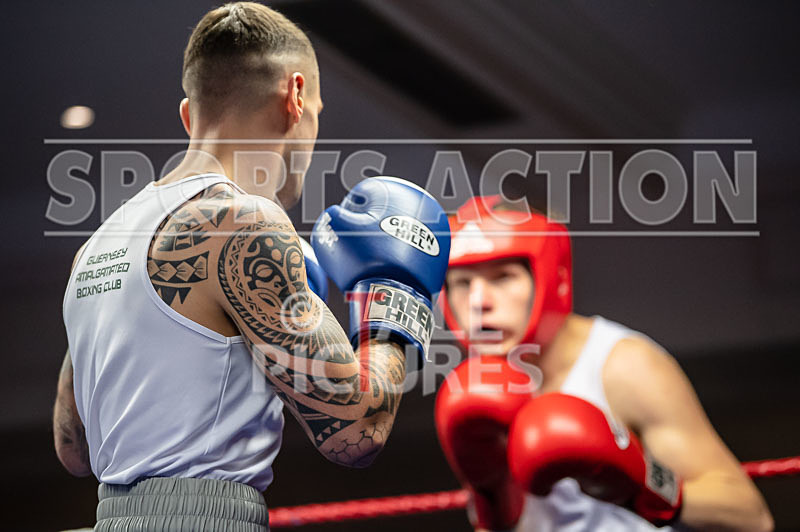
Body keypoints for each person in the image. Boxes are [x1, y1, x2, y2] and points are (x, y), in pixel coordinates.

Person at [53, 3, 450, 530]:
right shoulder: (245, 223)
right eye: (317, 115)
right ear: (296, 97)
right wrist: (395, 298)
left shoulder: (97, 246)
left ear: (189, 115)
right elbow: (357, 433)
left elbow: (74, 448)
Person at [435, 195, 773, 531]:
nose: (478, 302)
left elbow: (751, 517)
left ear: (552, 276)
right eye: (462, 283)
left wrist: (643, 485)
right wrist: (493, 504)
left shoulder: (624, 366)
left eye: (503, 277)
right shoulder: (472, 393)